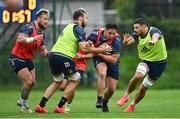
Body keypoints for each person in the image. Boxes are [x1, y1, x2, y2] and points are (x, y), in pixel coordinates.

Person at [35, 8, 112, 113]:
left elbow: (81, 47)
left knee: (57, 81)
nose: (87, 21)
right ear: (80, 19)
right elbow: (83, 48)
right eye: (86, 18)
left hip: (53, 55)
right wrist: (102, 49)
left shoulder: (68, 26)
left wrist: (93, 48)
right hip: (64, 56)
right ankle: (60, 106)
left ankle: (41, 105)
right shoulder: (78, 28)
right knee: (76, 79)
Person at [117, 18, 167, 112]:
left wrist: (153, 41)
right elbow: (129, 42)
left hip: (160, 63)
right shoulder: (137, 34)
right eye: (134, 28)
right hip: (146, 60)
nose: (135, 30)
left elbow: (156, 36)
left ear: (144, 26)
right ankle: (126, 96)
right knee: (138, 76)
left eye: (137, 27)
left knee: (144, 87)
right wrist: (125, 41)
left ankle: (133, 105)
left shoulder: (154, 30)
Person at [8, 8, 50, 113]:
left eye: (47, 19)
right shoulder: (29, 27)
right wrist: (32, 39)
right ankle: (24, 106)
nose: (46, 21)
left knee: (32, 82)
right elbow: (20, 39)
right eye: (45, 19)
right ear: (38, 18)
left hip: (28, 59)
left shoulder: (41, 34)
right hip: (17, 58)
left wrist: (55, 54)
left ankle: (21, 100)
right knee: (29, 81)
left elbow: (44, 53)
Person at [87, 24, 122, 112]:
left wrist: (100, 53)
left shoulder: (117, 39)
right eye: (109, 33)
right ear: (104, 30)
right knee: (102, 73)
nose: (111, 36)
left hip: (110, 60)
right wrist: (101, 51)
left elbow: (114, 59)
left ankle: (104, 102)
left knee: (111, 89)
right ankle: (99, 100)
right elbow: (87, 48)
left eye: (113, 33)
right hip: (99, 57)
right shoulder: (96, 34)